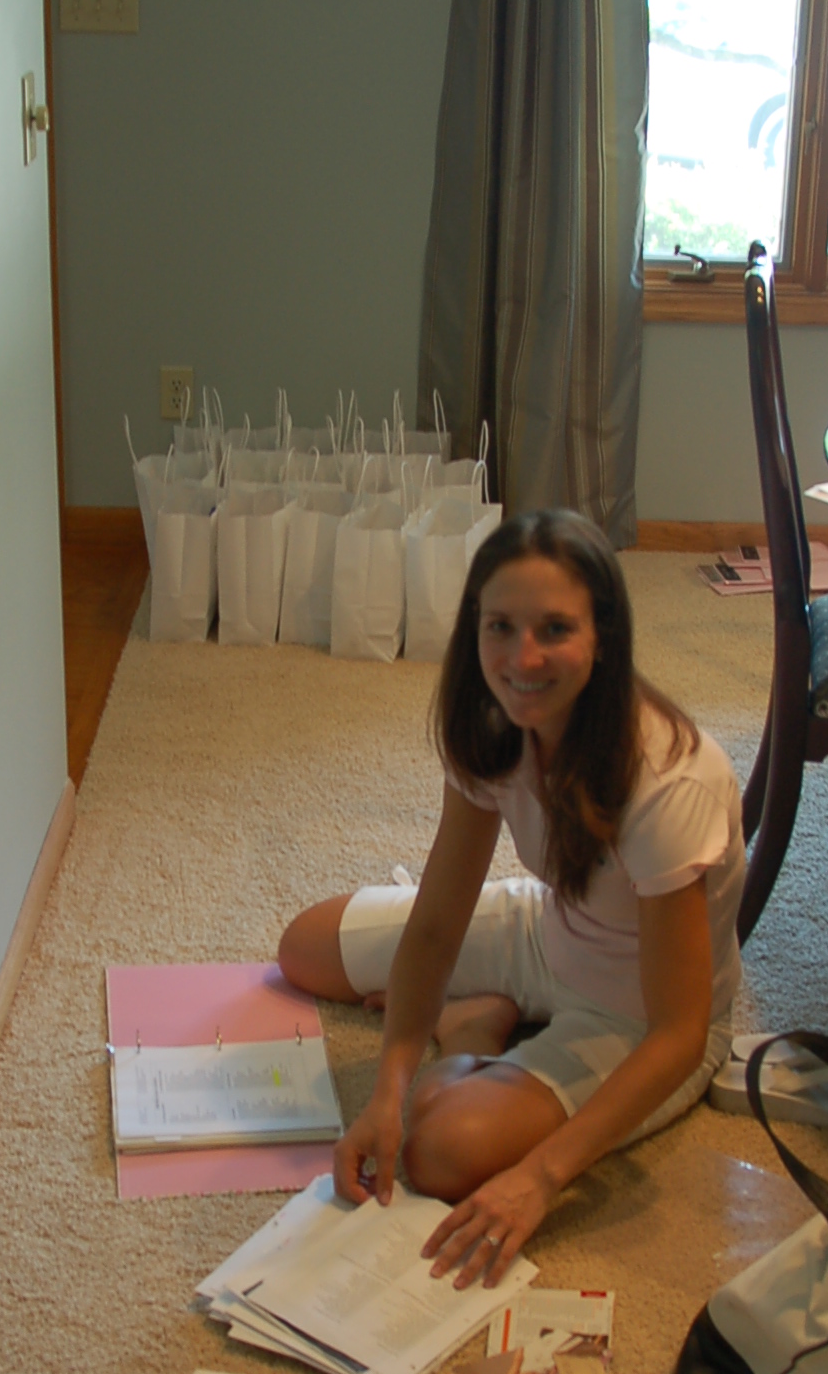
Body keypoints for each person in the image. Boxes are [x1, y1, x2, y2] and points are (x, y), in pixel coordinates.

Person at [277, 510, 744, 1293]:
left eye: (554, 629)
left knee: (440, 1151)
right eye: (501, 627)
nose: (522, 659)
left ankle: (470, 1031)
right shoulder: (493, 725)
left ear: (604, 635)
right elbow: (436, 924)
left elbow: (680, 1033)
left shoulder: (670, 783)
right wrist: (387, 1089)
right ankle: (477, 1019)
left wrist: (541, 1177)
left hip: (636, 1015)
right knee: (305, 946)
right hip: (547, 925)